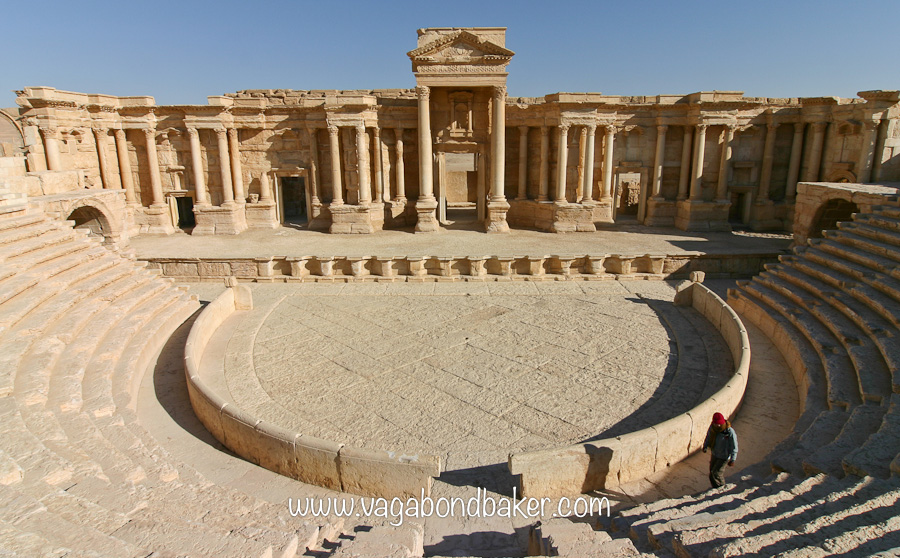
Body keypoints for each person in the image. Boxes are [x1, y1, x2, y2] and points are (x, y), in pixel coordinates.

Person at [701, 412, 738, 488]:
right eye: (716, 424)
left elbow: (734, 446)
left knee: (716, 474)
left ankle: (722, 488)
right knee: (711, 474)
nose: (718, 425)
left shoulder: (729, 431)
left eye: (719, 424)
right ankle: (715, 488)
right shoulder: (713, 428)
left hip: (724, 457)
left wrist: (733, 459)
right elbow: (708, 437)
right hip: (715, 454)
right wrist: (705, 446)